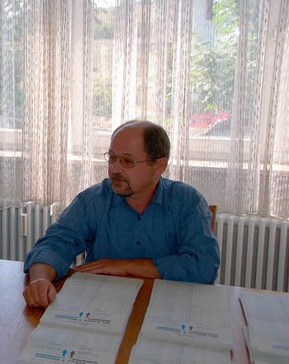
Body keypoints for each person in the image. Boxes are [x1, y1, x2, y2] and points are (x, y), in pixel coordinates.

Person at [23, 120, 220, 309]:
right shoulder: (94, 199)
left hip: (168, 309)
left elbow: (203, 266)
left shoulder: (187, 202)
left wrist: (125, 266)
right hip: (100, 307)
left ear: (159, 166)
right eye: (112, 158)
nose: (114, 169)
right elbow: (55, 243)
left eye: (127, 161)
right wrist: (40, 278)